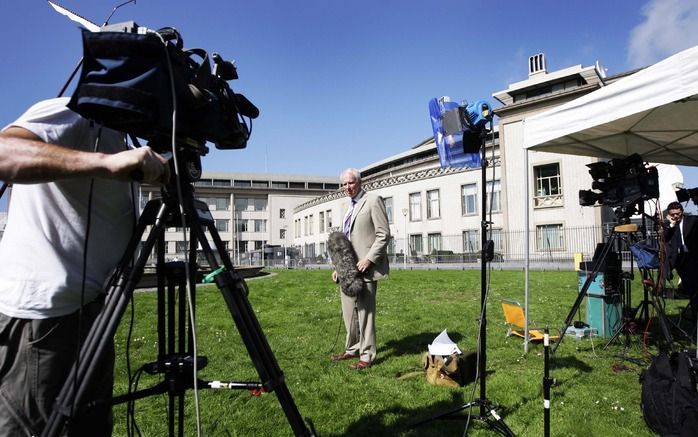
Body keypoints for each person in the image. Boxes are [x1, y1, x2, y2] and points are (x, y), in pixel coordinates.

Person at [0, 97, 170, 436]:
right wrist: (104, 163)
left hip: (91, 308)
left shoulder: (122, 136)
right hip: (45, 317)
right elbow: (4, 151)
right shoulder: (73, 108)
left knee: (88, 426)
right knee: (39, 428)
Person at [330, 168, 389, 370]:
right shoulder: (347, 207)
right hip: (347, 271)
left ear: (360, 182)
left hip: (366, 269)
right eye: (344, 184)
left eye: (351, 182)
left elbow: (383, 235)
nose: (347, 187)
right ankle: (352, 348)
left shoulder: (373, 201)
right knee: (349, 314)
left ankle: (367, 355)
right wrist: (339, 266)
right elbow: (345, 241)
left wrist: (369, 259)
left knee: (365, 314)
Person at [663, 201, 698, 316]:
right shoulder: (669, 225)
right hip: (680, 260)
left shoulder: (692, 220)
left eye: (677, 214)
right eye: (672, 214)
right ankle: (694, 312)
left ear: (682, 212)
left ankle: (695, 311)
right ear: (669, 214)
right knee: (689, 287)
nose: (675, 216)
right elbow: (665, 238)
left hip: (693, 257)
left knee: (694, 286)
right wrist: (671, 225)